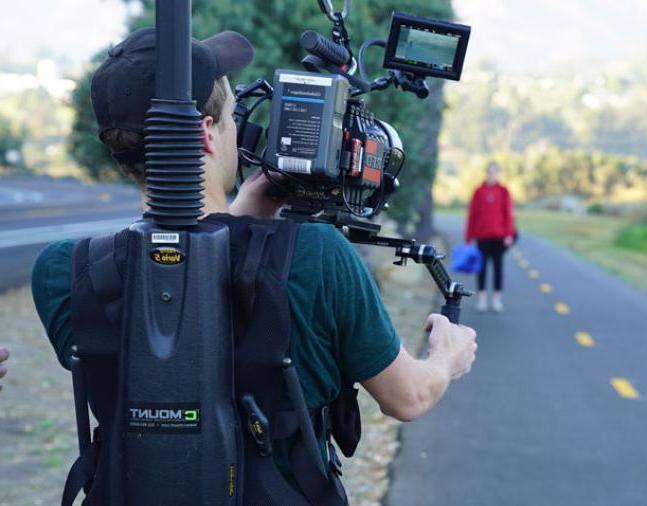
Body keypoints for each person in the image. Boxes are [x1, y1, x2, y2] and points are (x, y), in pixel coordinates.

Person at [30, 27, 476, 499]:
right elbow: (408, 396)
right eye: (230, 118)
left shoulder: (64, 272)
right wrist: (448, 356)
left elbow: (168, 308)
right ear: (204, 134)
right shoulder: (318, 256)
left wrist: (242, 220)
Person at [465, 161, 516, 312]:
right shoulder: (478, 191)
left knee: (498, 268)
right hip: (482, 236)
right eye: (490, 172)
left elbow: (508, 214)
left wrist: (509, 235)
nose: (492, 174)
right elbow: (472, 215)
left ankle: (496, 299)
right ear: (486, 173)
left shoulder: (503, 191)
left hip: (499, 237)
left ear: (497, 173)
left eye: (495, 172)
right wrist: (469, 237)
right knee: (481, 268)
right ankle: (481, 298)